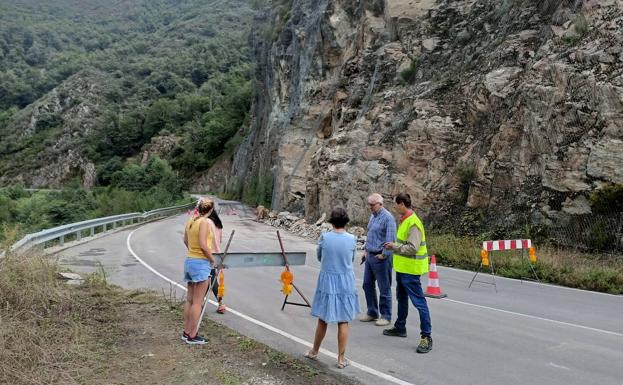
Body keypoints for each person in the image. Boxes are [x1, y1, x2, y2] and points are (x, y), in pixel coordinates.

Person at [305, 207, 360, 369]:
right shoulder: (352, 239)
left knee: (323, 318)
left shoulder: (325, 237)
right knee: (343, 320)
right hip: (345, 280)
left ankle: (314, 351)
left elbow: (319, 256)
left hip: (328, 279)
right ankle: (341, 359)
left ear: (331, 221)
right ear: (346, 221)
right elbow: (351, 258)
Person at [382, 193, 433, 353]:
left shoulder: (413, 223)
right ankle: (400, 327)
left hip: (411, 270)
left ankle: (426, 337)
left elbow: (413, 247)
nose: (394, 207)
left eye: (396, 204)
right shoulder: (405, 220)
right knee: (401, 298)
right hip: (403, 269)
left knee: (419, 303)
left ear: (402, 203)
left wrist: (394, 247)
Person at [181, 197, 217, 345]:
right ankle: (193, 335)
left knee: (190, 299)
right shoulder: (204, 222)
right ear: (210, 210)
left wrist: (192, 251)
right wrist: (212, 260)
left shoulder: (191, 220)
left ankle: (186, 332)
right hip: (201, 262)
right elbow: (203, 245)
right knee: (198, 302)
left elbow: (185, 240)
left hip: (189, 261)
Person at [360, 193, 396, 326]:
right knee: (367, 284)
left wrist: (384, 255)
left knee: (384, 287)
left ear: (380, 204)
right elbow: (370, 235)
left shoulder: (388, 218)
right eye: (369, 204)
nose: (370, 207)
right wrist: (365, 251)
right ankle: (372, 312)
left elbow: (391, 238)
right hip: (370, 255)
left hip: (381, 257)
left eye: (372, 205)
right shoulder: (373, 216)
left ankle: (386, 316)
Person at [207, 209, 226, 314]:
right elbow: (220, 240)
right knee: (212, 279)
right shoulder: (219, 225)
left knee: (209, 280)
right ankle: (220, 303)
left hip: (209, 255)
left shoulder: (207, 223)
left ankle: (220, 303)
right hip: (217, 254)